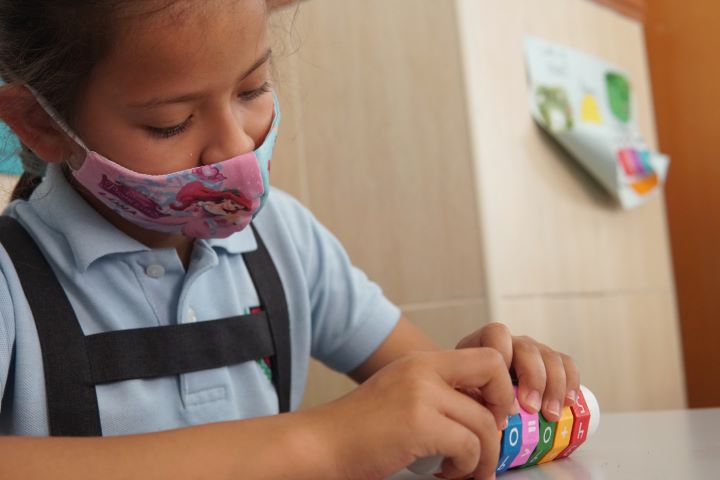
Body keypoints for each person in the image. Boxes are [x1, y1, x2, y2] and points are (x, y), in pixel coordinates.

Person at [0, 1, 580, 479]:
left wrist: (487, 388)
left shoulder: (285, 240)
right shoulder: (11, 280)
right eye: (170, 122)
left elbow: (426, 400)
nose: (236, 146)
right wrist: (322, 443)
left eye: (252, 89)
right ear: (42, 124)